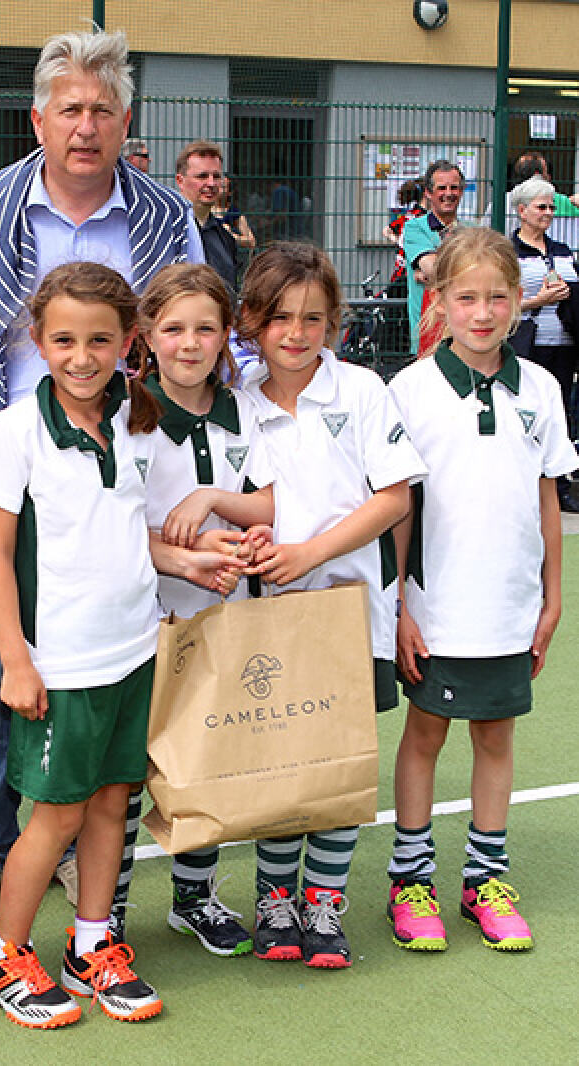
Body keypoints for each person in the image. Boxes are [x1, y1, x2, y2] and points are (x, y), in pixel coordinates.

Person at [0, 27, 202, 924]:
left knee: (109, 656)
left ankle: (87, 846)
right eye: (70, 109)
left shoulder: (166, 217)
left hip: (116, 465)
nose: (87, 126)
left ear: (126, 122)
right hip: (8, 466)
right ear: (38, 118)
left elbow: (192, 327)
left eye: (103, 111)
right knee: (7, 657)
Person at [0, 262, 165, 1029]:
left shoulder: (138, 416)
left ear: (128, 340)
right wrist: (15, 659)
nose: (82, 357)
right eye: (64, 341)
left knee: (113, 804)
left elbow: (133, 528)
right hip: (60, 663)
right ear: (38, 340)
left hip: (133, 650)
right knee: (55, 817)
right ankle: (3, 958)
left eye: (100, 341)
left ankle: (90, 947)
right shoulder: (17, 429)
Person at [229, 243, 426, 968]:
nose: (296, 333)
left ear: (333, 322)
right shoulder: (237, 399)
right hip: (265, 619)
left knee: (339, 761)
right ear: (252, 320)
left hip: (349, 611)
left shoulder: (363, 389)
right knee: (280, 762)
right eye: (279, 317)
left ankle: (324, 901)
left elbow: (394, 498)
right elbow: (238, 501)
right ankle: (275, 900)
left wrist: (310, 553)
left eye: (312, 318)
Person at [387, 227, 576, 953]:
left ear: (518, 301)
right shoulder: (410, 391)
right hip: (437, 607)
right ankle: (411, 881)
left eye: (498, 297)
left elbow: (547, 499)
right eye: (467, 297)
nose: (484, 312)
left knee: (496, 736)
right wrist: (399, 605)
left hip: (510, 605)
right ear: (441, 300)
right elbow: (398, 506)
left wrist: (552, 598)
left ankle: (484, 880)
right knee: (426, 734)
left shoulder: (543, 389)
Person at [109, 263, 273, 953]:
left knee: (207, 763)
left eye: (206, 328)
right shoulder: (123, 416)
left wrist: (227, 519)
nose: (190, 343)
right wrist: (182, 551)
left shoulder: (249, 411)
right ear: (146, 335)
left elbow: (274, 501)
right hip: (137, 627)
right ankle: (106, 910)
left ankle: (193, 897)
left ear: (227, 334)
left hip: (223, 624)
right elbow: (107, 526)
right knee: (123, 779)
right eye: (173, 328)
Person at [509, 176, 579, 512]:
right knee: (525, 411)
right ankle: (525, 483)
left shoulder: (562, 250)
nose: (548, 213)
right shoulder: (509, 253)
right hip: (528, 343)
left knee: (559, 412)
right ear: (522, 211)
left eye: (551, 207)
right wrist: (538, 301)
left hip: (564, 342)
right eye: (541, 207)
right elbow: (503, 302)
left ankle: (559, 486)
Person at [404, 159, 463, 357]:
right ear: (428, 193)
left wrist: (434, 276)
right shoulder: (414, 228)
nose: (449, 193)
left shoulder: (471, 230)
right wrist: (462, 269)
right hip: (428, 334)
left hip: (463, 331)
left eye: (454, 187)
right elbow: (432, 268)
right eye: (442, 188)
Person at [175, 140, 238, 293]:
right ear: (180, 181)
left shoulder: (225, 238)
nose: (211, 183)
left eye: (216, 176)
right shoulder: (166, 233)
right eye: (202, 176)